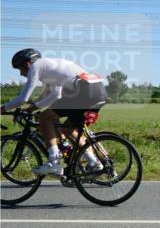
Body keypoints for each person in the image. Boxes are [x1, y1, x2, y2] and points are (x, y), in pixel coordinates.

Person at [1, 48, 107, 176]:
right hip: (97, 90)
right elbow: (52, 94)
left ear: (27, 64)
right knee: (69, 130)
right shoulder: (51, 68)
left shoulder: (36, 66)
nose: (21, 74)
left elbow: (24, 98)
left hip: (83, 91)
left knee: (44, 118)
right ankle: (94, 163)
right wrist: (31, 108)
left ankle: (54, 163)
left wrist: (3, 108)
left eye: (20, 69)